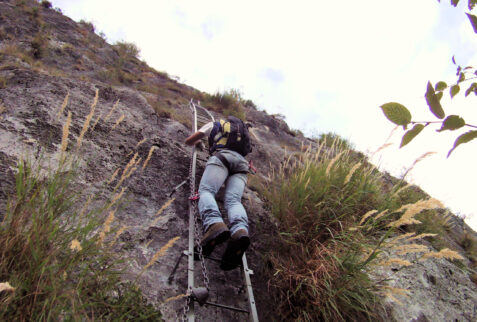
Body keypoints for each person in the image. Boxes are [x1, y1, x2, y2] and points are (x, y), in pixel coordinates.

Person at [185, 116, 252, 270]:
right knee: (234, 200)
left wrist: (199, 143)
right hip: (242, 164)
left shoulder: (215, 125)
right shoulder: (243, 134)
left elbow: (189, 140)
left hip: (222, 157)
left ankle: (214, 224)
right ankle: (240, 230)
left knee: (207, 190)